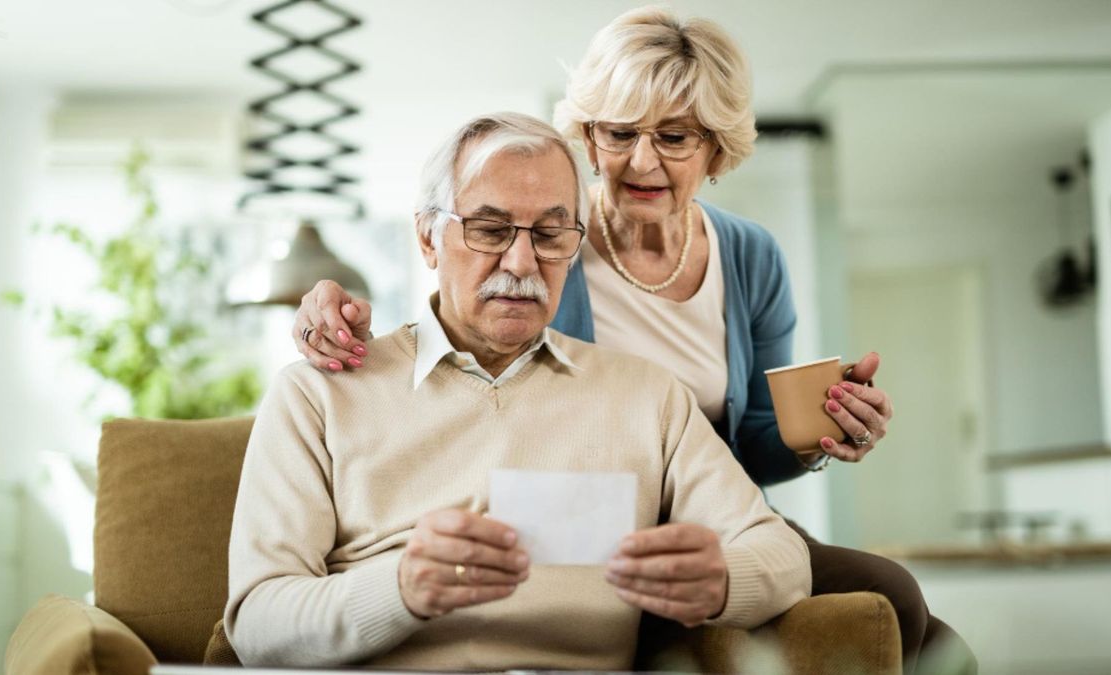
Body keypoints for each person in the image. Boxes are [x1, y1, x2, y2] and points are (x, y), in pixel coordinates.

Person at [288, 7, 974, 672]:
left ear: (716, 149)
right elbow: (462, 324)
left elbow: (753, 444)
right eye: (619, 134)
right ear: (588, 139)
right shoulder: (549, 239)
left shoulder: (750, 256)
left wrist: (821, 433)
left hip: (704, 515)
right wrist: (331, 313)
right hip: (589, 520)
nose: (641, 161)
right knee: (904, 610)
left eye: (674, 137)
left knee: (909, 610)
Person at [225, 112, 811, 670]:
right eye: (490, 229)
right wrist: (399, 588)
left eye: (552, 234)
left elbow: (782, 557)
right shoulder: (319, 394)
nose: (523, 261)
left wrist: (724, 581)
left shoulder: (647, 397)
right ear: (428, 238)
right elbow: (257, 624)